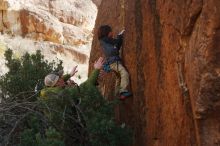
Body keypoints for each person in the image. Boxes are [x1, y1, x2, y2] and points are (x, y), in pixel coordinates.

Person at [39, 57, 104, 146]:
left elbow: (58, 83)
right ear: (57, 83)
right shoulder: (62, 94)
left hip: (55, 126)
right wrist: (96, 69)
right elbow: (84, 87)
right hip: (68, 126)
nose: (62, 78)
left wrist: (69, 75)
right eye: (60, 78)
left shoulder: (45, 92)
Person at [98, 25, 132, 100]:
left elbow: (117, 45)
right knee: (124, 73)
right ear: (107, 33)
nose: (112, 33)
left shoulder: (104, 41)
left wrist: (118, 40)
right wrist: (120, 36)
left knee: (118, 77)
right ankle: (123, 91)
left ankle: (116, 94)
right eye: (111, 31)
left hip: (111, 63)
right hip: (114, 62)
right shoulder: (106, 39)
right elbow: (116, 42)